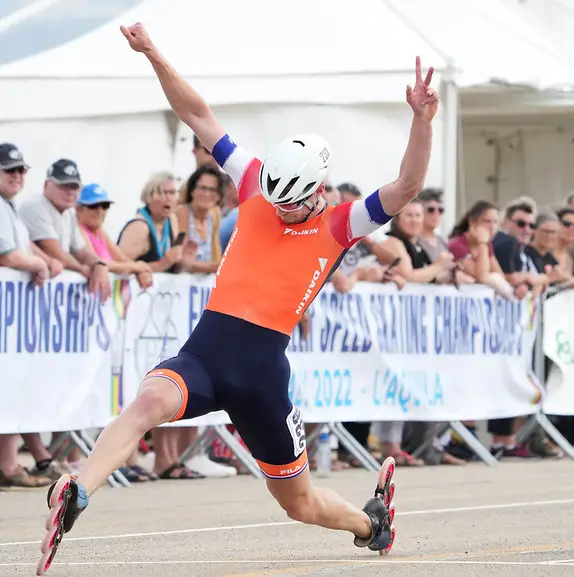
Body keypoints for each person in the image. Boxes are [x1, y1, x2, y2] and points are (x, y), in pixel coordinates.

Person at [36, 22, 439, 576]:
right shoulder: (253, 181)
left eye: (293, 205)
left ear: (320, 191)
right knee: (148, 401)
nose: (282, 211)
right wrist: (153, 52)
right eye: (276, 201)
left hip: (261, 378)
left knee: (298, 504)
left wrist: (422, 121)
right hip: (204, 353)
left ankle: (372, 524)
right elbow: (196, 114)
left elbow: (407, 185)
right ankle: (78, 492)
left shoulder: (343, 223)